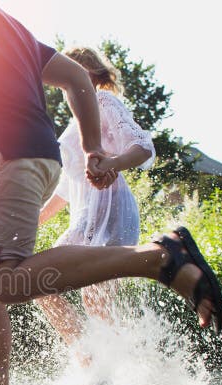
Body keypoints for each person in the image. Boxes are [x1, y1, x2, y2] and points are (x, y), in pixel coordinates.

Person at [0, 0, 222, 385]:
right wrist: (92, 147)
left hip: (5, 156)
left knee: (1, 282)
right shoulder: (9, 27)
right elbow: (76, 77)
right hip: (35, 157)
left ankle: (160, 256)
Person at [37, 47, 155, 365]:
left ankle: (116, 368)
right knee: (40, 283)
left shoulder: (103, 101)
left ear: (83, 73)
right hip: (84, 216)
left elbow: (142, 146)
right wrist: (35, 219)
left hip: (111, 209)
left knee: (96, 299)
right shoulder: (76, 123)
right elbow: (65, 188)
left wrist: (114, 162)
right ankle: (89, 357)